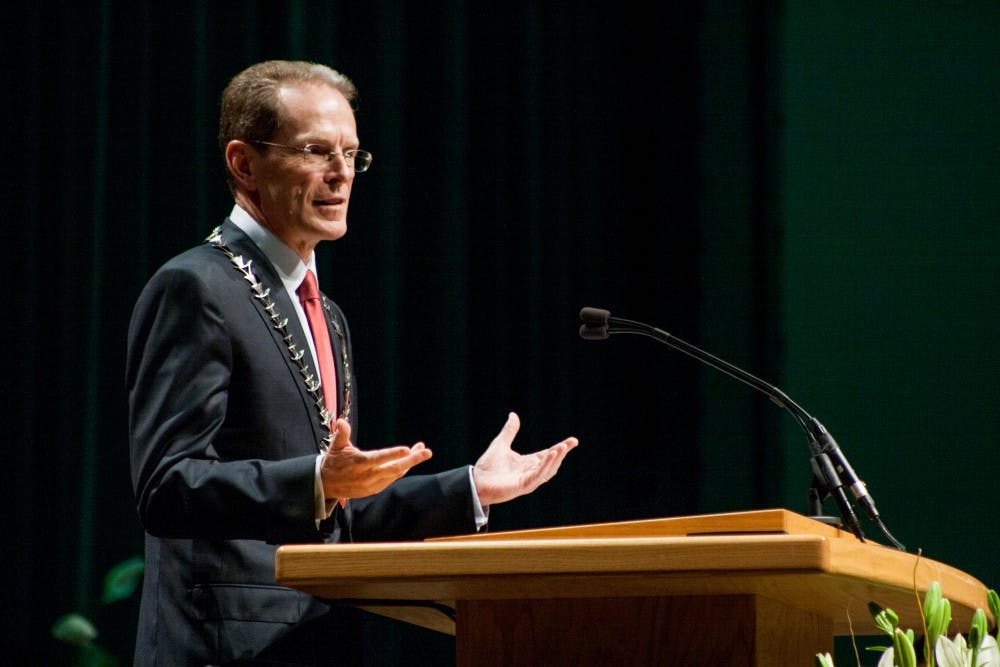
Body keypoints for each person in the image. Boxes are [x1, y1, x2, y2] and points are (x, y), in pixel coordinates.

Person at [126, 59, 578, 666]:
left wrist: (470, 487)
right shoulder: (195, 287)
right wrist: (317, 480)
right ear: (244, 162)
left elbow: (334, 511)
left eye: (353, 156)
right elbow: (167, 486)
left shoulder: (326, 313)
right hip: (224, 643)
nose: (341, 175)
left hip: (316, 640)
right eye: (316, 151)